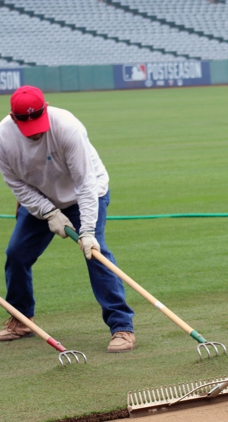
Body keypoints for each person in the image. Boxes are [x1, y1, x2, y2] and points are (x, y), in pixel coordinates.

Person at [0, 85, 136, 353]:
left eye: (38, 123)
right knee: (16, 255)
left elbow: (86, 184)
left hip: (84, 194)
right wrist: (49, 212)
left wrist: (86, 232)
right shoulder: (3, 138)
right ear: (14, 119)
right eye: (28, 127)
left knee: (95, 253)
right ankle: (22, 319)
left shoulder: (67, 127)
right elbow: (16, 184)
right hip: (40, 198)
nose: (36, 132)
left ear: (46, 107)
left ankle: (122, 326)